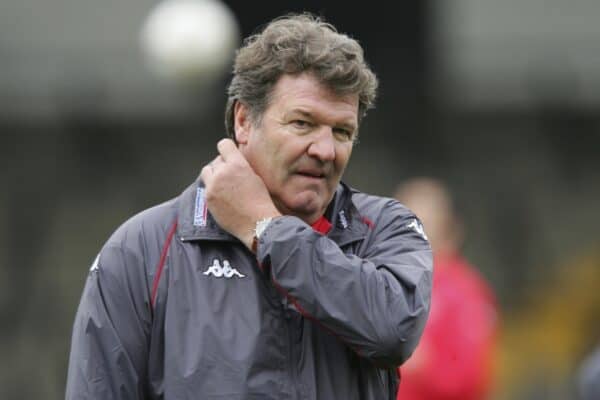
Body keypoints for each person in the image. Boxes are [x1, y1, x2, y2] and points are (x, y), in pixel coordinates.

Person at [66, 13, 432, 400]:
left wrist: (265, 228)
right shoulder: (142, 249)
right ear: (244, 121)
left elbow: (394, 329)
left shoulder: (385, 230)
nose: (325, 150)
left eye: (342, 132)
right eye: (303, 123)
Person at [394, 178, 498, 400]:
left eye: (423, 223)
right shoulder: (386, 281)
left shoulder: (466, 291)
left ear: (449, 229)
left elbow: (472, 376)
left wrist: (422, 364)